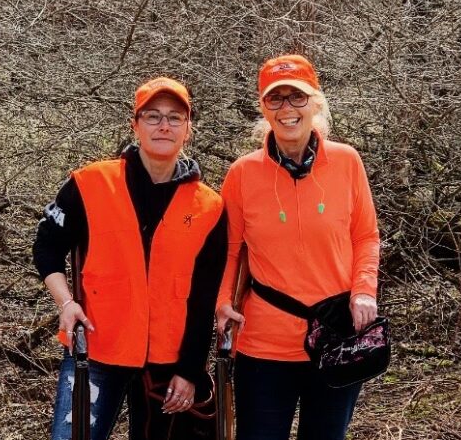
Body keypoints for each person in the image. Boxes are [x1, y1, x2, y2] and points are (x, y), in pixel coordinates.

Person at [33, 77, 227, 440]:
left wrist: (189, 370)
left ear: (188, 129)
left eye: (175, 117)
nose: (164, 126)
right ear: (134, 125)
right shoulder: (91, 182)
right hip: (96, 350)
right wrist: (66, 304)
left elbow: (203, 299)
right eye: (152, 116)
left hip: (168, 363)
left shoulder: (210, 206)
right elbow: (47, 247)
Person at [215, 54, 381, 440]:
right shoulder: (242, 173)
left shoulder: (347, 162)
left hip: (336, 336)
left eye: (297, 97)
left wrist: (364, 291)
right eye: (275, 98)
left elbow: (366, 236)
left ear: (315, 103)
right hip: (264, 343)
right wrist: (223, 301)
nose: (287, 108)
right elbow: (230, 250)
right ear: (263, 108)